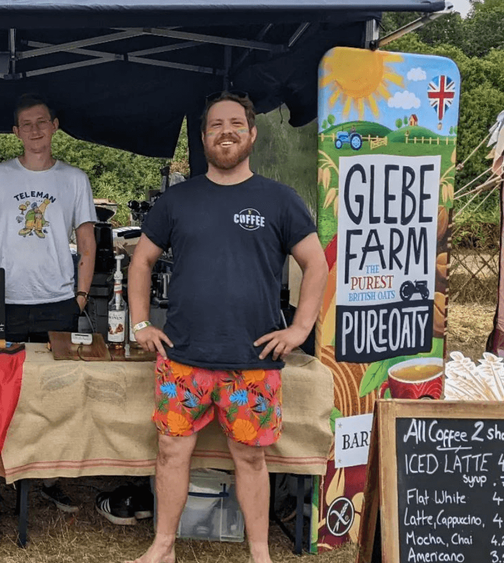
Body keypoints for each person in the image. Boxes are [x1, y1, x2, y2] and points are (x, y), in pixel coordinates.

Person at [125, 91, 328, 563]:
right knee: (172, 455)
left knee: (251, 459)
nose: (226, 132)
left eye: (236, 123)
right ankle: (163, 546)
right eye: (216, 125)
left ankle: (260, 554)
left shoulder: (280, 200)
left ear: (252, 134)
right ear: (203, 137)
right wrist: (139, 323)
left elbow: (316, 265)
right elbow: (141, 262)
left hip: (252, 361)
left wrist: (299, 329)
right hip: (182, 357)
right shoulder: (178, 200)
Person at [0, 93, 97, 512]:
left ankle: (49, 477)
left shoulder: (74, 179)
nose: (36, 130)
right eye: (27, 124)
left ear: (55, 126)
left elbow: (87, 241)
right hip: (3, 302)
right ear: (15, 132)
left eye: (42, 122)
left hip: (58, 301)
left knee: (55, 395)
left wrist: (80, 296)